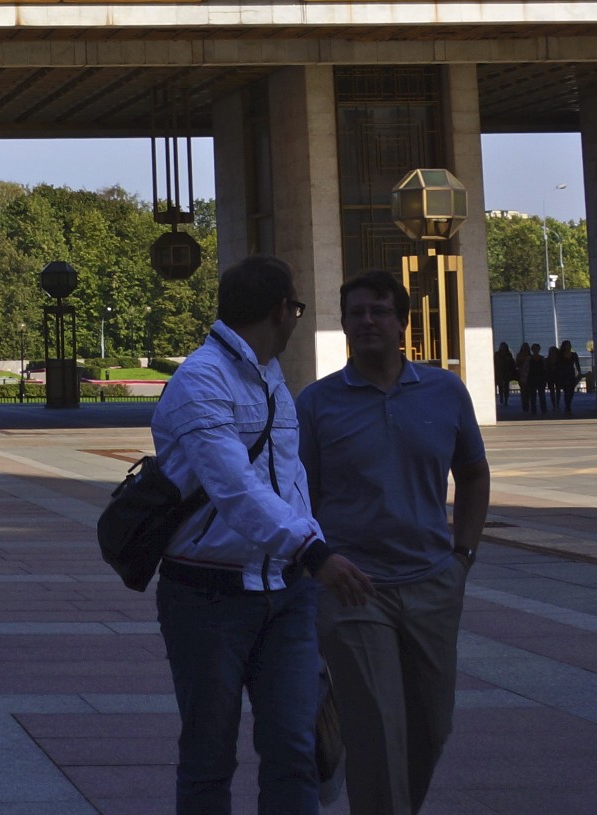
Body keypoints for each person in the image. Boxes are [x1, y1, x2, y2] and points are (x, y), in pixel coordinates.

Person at [152, 255, 373, 815]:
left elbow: (289, 482)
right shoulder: (200, 380)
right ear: (283, 310)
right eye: (298, 308)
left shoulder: (271, 374)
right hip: (207, 596)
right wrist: (313, 549)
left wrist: (309, 554)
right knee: (209, 757)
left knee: (295, 750)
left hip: (288, 595)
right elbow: (234, 487)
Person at [299, 271, 490, 815]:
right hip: (353, 590)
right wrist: (319, 565)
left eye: (379, 311)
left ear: (403, 322)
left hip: (432, 583)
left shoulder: (444, 391)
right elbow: (297, 497)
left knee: (431, 727)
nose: (367, 321)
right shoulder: (317, 404)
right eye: (355, 313)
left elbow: (474, 474)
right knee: (378, 728)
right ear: (342, 324)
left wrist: (463, 556)